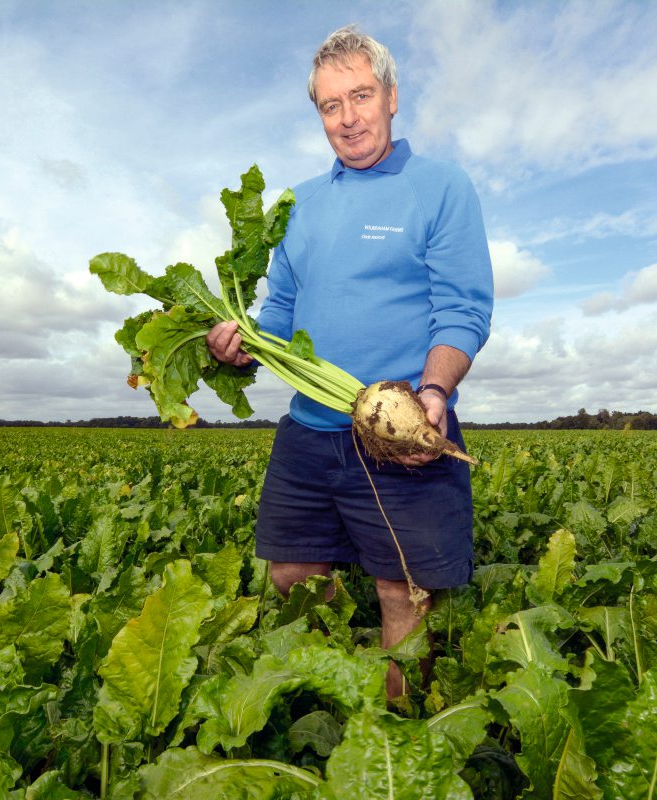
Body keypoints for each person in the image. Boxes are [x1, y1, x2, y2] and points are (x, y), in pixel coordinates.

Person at [207, 25, 493, 699]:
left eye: (360, 97)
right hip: (311, 429)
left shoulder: (441, 187)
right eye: (331, 105)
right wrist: (241, 339)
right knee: (290, 574)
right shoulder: (299, 205)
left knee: (404, 588)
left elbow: (463, 310)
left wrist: (433, 392)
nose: (348, 118)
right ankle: (335, 692)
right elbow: (281, 311)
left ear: (392, 97)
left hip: (396, 425)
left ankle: (398, 729)